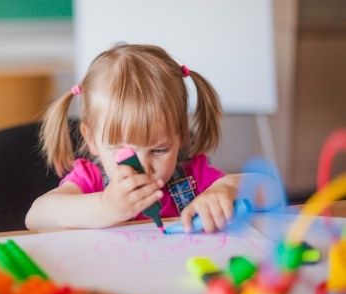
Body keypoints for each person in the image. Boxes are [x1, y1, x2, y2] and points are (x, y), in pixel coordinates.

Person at [26, 44, 263, 233]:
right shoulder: (91, 180)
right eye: (123, 152)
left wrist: (225, 190)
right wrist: (106, 207)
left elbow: (267, 188)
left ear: (179, 137)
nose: (144, 167)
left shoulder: (192, 177)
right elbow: (36, 216)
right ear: (92, 140)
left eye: (159, 150)